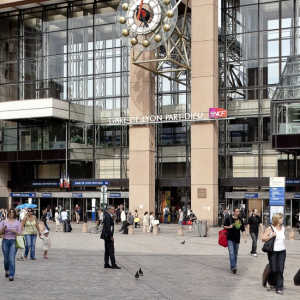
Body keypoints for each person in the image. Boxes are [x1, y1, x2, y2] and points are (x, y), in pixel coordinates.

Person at [262, 213, 286, 295]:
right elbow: (263, 238)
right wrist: (271, 236)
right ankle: (269, 280)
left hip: (282, 251)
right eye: (281, 218)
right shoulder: (270, 228)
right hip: (273, 252)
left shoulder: (283, 228)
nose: (282, 220)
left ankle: (279, 288)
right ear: (276, 219)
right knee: (274, 269)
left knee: (280, 269)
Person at [223, 207, 247, 274]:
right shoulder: (229, 218)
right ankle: (233, 267)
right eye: (236, 211)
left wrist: (245, 237)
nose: (238, 212)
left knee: (235, 254)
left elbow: (243, 229)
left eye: (239, 211)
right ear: (234, 212)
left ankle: (233, 266)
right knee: (231, 253)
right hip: (230, 238)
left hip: (237, 239)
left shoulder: (240, 220)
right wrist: (229, 227)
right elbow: (224, 226)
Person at [0, 208, 21, 281]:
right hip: (5, 241)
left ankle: (11, 275)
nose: (11, 214)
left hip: (13, 241)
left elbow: (20, 233)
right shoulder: (3, 222)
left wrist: (15, 231)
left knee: (11, 258)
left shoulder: (17, 222)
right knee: (6, 259)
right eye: (10, 212)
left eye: (12, 213)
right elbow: (0, 232)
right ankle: (7, 270)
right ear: (8, 213)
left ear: (14, 214)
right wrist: (3, 229)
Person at [100, 205, 121, 269]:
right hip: (108, 236)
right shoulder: (108, 216)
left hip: (106, 235)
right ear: (108, 209)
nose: (113, 210)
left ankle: (106, 263)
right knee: (111, 250)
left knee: (107, 250)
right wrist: (111, 236)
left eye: (113, 209)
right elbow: (108, 227)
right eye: (112, 209)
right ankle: (113, 264)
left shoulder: (107, 216)